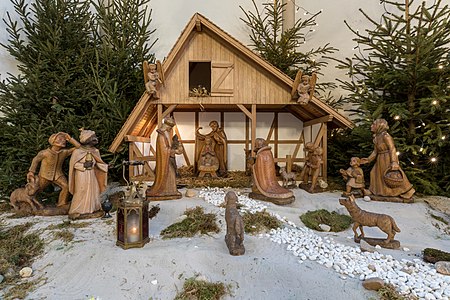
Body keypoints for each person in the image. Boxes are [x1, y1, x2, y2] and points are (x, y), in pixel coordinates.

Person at [360, 119, 415, 199]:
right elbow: (375, 151)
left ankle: (409, 191)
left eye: (373, 124)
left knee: (394, 175)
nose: (371, 126)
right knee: (374, 173)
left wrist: (394, 162)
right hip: (380, 158)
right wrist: (368, 159)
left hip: (388, 158)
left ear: (379, 126)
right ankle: (373, 191)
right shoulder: (376, 138)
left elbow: (392, 149)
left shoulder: (386, 136)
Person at [28, 132, 80, 207]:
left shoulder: (64, 152)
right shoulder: (44, 153)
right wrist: (31, 172)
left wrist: (70, 139)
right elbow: (35, 160)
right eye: (60, 139)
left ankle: (61, 204)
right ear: (53, 141)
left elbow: (79, 147)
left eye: (64, 139)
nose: (63, 141)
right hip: (44, 175)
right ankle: (30, 203)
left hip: (58, 175)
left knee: (66, 186)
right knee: (37, 189)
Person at [68, 129, 108, 219]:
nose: (95, 139)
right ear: (87, 139)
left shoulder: (95, 151)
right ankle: (77, 210)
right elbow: (73, 165)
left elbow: (98, 163)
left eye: (95, 137)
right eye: (92, 137)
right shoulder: (77, 151)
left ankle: (93, 208)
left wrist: (106, 166)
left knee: (93, 190)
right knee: (81, 191)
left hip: (92, 175)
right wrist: (83, 165)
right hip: (81, 175)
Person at [146, 117, 182, 200]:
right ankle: (165, 191)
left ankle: (171, 191)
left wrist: (174, 148)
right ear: (166, 127)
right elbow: (164, 150)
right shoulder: (161, 136)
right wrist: (174, 151)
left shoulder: (165, 134)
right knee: (170, 174)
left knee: (171, 174)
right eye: (169, 128)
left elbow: (167, 147)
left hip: (167, 159)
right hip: (164, 160)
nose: (170, 130)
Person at [250, 138, 294, 204]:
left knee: (266, 186)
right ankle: (257, 189)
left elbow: (259, 170)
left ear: (257, 145)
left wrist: (253, 166)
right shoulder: (269, 153)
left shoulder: (260, 155)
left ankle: (259, 189)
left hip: (265, 184)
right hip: (270, 181)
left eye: (255, 145)